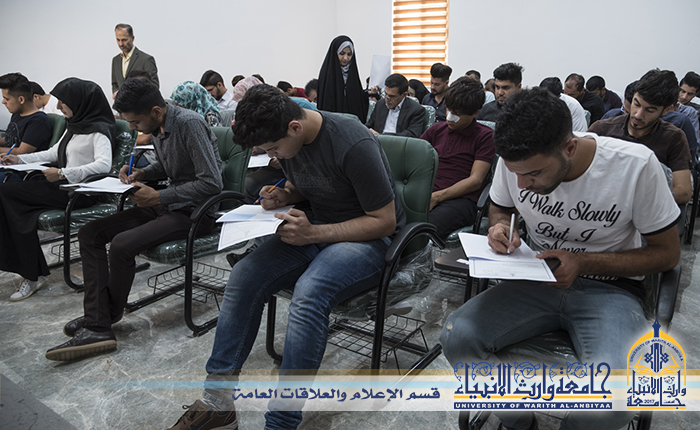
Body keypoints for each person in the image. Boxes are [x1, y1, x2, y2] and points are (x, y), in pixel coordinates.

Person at [440, 87, 681, 430]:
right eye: (516, 173)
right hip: (535, 277)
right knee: (457, 337)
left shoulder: (634, 166)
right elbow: (501, 207)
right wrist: (499, 227)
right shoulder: (516, 161)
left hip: (611, 290)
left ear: (569, 148)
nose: (522, 184)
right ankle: (521, 422)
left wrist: (584, 263)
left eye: (534, 174)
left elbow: (667, 254)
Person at [166, 84, 404, 430]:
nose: (273, 155)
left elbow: (384, 221)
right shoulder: (290, 140)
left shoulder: (353, 143)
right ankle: (218, 404)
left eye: (274, 149)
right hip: (317, 224)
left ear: (295, 127)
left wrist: (314, 234)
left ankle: (282, 421)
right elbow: (307, 183)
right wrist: (285, 194)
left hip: (369, 238)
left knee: (311, 292)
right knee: (244, 275)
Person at [45, 77, 223, 361]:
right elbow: (168, 166)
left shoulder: (189, 124)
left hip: (195, 213)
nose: (131, 128)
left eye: (135, 122)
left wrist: (159, 196)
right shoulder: (158, 124)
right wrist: (144, 173)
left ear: (156, 111)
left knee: (121, 244)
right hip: (169, 204)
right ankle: (100, 317)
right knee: (90, 233)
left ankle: (99, 324)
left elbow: (212, 183)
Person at [0, 77, 114, 301]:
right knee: (17, 208)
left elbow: (103, 165)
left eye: (63, 101)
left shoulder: (98, 130)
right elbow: (53, 153)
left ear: (79, 102)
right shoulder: (74, 126)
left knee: (8, 195)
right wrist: (19, 159)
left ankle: (33, 273)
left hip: (81, 193)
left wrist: (63, 173)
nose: (58, 106)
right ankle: (32, 272)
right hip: (63, 187)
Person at [588, 69, 692, 205]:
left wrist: (634, 197)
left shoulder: (674, 138)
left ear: (667, 110)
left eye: (650, 110)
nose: (638, 115)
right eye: (636, 104)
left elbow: (683, 192)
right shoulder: (602, 129)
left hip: (645, 209)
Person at [420, 77, 495, 240]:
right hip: (427, 192)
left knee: (424, 229)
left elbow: (475, 180)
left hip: (460, 200)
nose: (450, 117)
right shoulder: (436, 130)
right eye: (449, 109)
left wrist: (437, 197)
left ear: (475, 112)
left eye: (457, 114)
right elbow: (413, 160)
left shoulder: (485, 137)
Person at [317, 35, 369, 122]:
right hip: (333, 119)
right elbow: (325, 100)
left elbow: (357, 98)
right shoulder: (326, 73)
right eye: (342, 53)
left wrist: (368, 93)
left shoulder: (352, 73)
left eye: (349, 54)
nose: (345, 58)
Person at [0, 73, 52, 154]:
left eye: (7, 99)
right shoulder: (17, 114)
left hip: (18, 161)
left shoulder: (38, 120)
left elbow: (22, 151)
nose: (3, 102)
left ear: (21, 100)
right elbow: (9, 139)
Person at [111, 23, 158, 99]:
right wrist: (116, 92)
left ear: (132, 38)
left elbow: (154, 86)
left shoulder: (146, 59)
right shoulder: (115, 60)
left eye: (124, 40)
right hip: (122, 105)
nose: (121, 44)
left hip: (141, 104)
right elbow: (114, 83)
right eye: (118, 40)